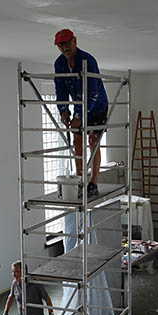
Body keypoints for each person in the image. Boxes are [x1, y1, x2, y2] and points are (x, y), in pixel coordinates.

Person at [53, 28, 109, 198]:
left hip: (97, 106)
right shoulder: (59, 64)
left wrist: (78, 116)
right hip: (79, 105)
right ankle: (80, 180)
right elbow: (60, 89)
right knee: (77, 141)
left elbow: (92, 92)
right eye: (60, 44)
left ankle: (93, 182)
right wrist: (63, 111)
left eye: (67, 42)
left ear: (74, 41)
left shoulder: (88, 60)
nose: (64, 47)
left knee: (93, 141)